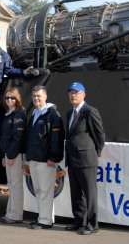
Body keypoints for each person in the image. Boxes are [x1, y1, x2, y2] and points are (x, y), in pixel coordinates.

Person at [64, 82, 105, 235]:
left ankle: (93, 224)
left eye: (76, 92)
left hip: (86, 160)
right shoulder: (69, 113)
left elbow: (99, 135)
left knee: (90, 194)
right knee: (76, 193)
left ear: (83, 94)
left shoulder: (89, 111)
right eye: (71, 92)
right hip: (72, 159)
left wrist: (94, 153)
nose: (73, 95)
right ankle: (79, 221)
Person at [25, 85, 64, 229]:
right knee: (39, 191)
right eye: (34, 96)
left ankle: (46, 221)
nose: (36, 98)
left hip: (46, 161)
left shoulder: (53, 114)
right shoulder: (35, 113)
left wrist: (53, 158)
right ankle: (42, 217)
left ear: (45, 97)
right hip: (34, 159)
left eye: (39, 96)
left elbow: (56, 139)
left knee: (46, 191)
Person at [0, 87, 27, 224]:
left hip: (14, 155)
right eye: (7, 97)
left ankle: (16, 215)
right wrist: (5, 155)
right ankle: (10, 213)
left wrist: (10, 155)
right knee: (11, 184)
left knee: (16, 184)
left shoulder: (19, 114)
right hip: (8, 154)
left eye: (12, 97)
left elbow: (18, 138)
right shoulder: (8, 114)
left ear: (17, 99)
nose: (10, 100)